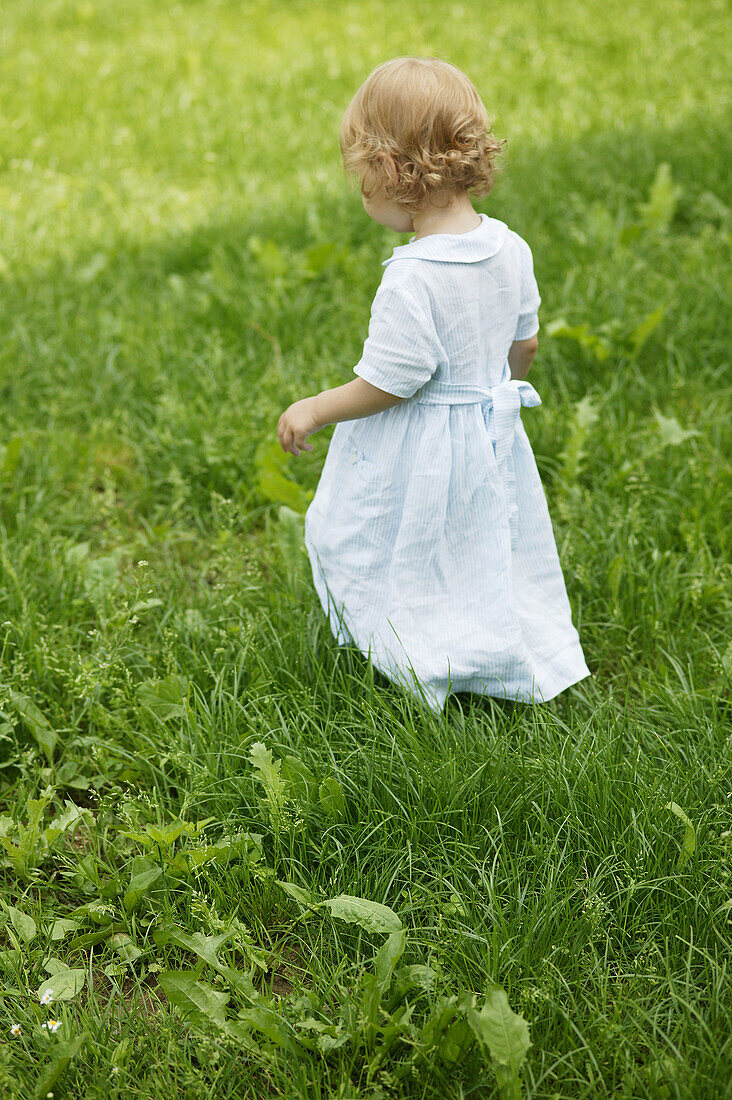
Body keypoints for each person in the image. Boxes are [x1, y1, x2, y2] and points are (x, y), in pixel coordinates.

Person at [277, 56, 592, 714]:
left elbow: (393, 381)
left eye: (362, 184)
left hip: (419, 446)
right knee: (482, 543)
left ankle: (415, 655)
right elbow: (526, 344)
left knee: (390, 539)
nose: (363, 197)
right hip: (489, 432)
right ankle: (497, 649)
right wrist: (493, 401)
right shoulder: (511, 248)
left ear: (392, 173)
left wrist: (315, 408)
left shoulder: (413, 276)